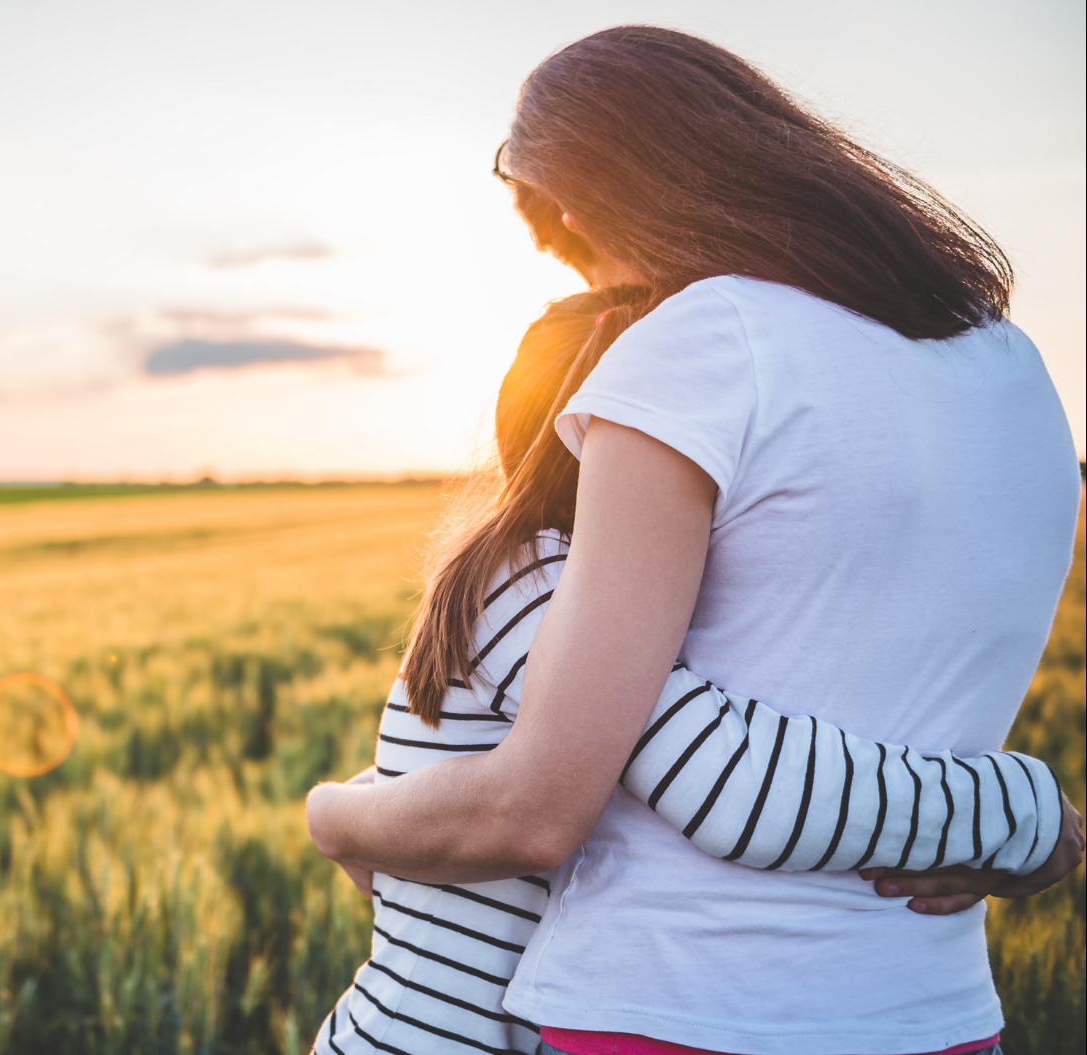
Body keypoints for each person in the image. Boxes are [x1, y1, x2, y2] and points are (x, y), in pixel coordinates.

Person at [307, 26, 1084, 1055]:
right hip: (938, 1015)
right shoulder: (1014, 364)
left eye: (580, 248)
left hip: (674, 1007)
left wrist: (334, 816)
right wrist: (1033, 819)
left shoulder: (708, 338)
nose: (612, 293)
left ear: (598, 197)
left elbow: (571, 794)